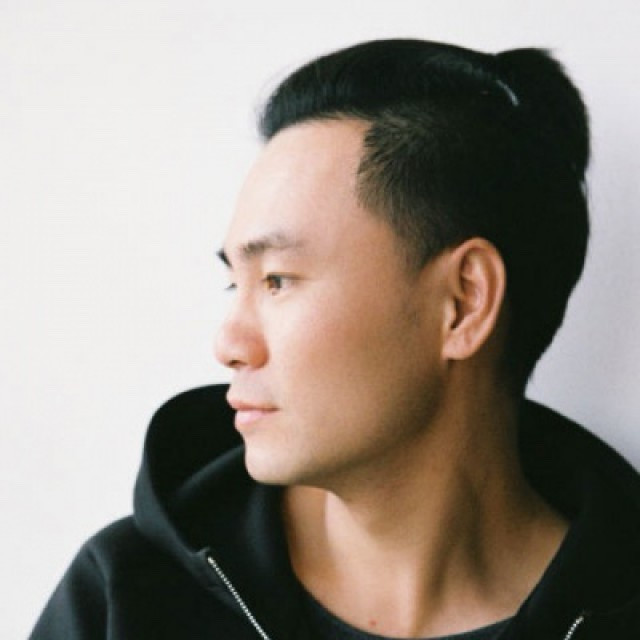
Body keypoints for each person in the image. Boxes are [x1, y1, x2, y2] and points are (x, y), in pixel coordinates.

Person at [31, 39, 640, 640]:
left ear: (463, 303)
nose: (229, 344)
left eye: (277, 280)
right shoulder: (126, 601)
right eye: (235, 283)